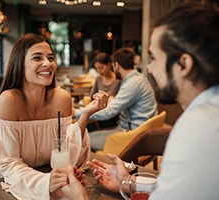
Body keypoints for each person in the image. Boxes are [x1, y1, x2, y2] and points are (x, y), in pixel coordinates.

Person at [85, 3, 219, 200]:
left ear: (183, 64)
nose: (150, 69)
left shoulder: (199, 129)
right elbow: (177, 189)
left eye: (154, 58)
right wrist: (128, 184)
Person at [0, 33, 109, 200]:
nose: (48, 63)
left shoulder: (61, 98)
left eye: (50, 58)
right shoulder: (9, 101)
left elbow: (68, 154)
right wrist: (46, 182)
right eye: (37, 58)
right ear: (19, 64)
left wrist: (86, 114)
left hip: (50, 177)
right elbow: (8, 165)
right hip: (11, 183)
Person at [74, 47, 157, 151]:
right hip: (139, 132)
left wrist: (75, 112)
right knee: (90, 134)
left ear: (116, 65)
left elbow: (108, 112)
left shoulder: (133, 84)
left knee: (83, 138)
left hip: (131, 135)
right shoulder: (138, 79)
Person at [87, 52, 121, 130]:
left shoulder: (118, 80)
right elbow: (91, 96)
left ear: (109, 65)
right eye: (97, 68)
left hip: (112, 116)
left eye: (101, 68)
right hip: (98, 112)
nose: (99, 71)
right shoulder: (98, 79)